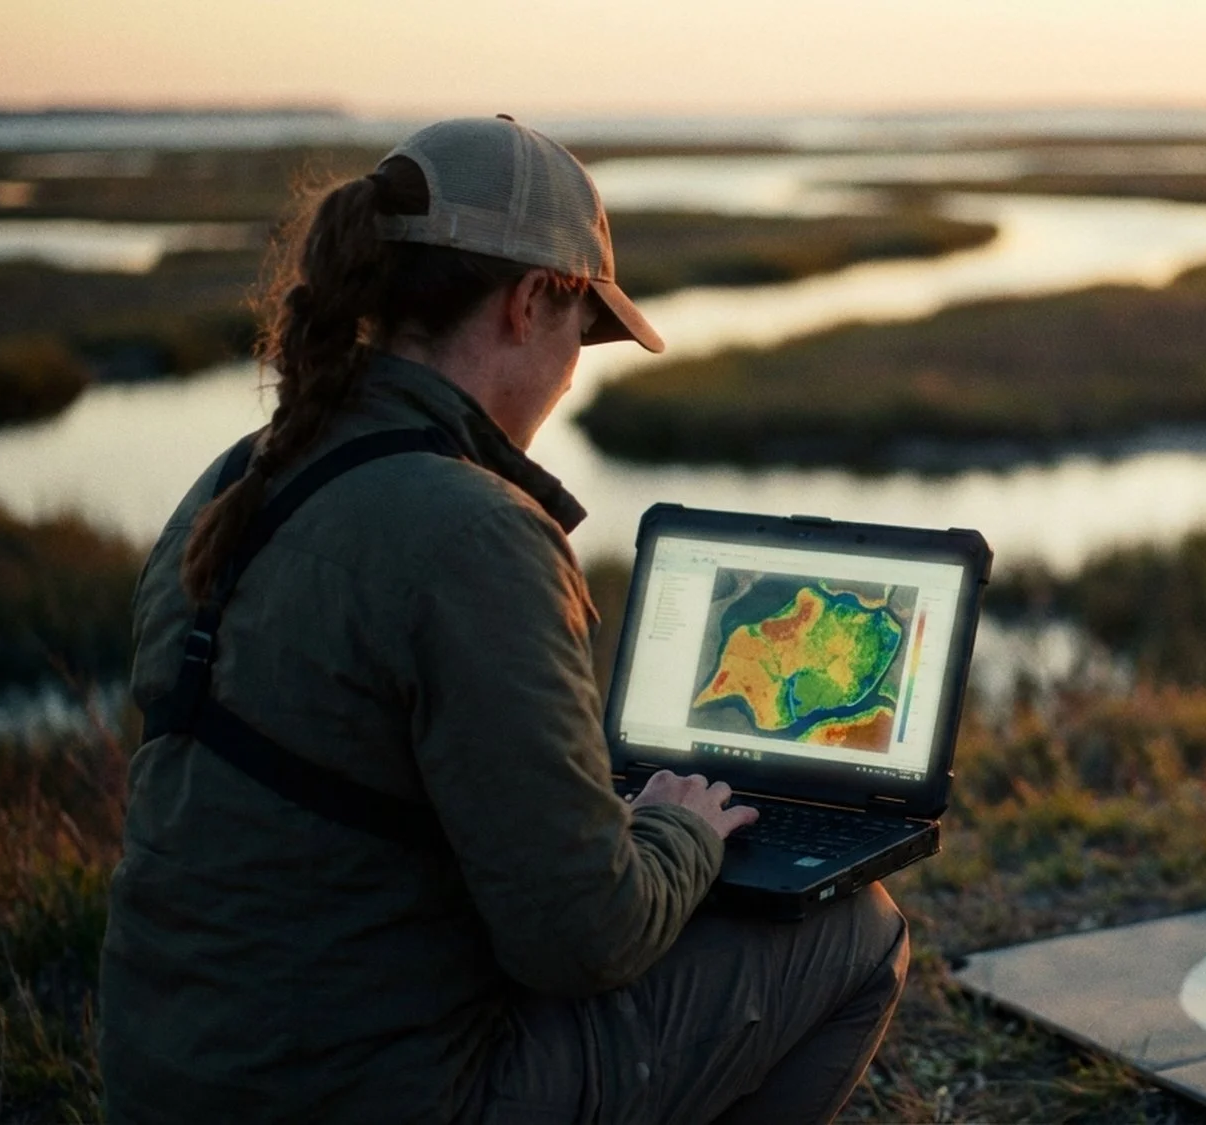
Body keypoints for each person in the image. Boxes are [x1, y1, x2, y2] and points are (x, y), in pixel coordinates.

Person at [101, 116, 908, 1125]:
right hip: (378, 1098)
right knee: (856, 934)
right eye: (585, 329)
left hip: (164, 1080)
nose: (576, 368)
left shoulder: (236, 475)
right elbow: (583, 941)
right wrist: (679, 828)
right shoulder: (475, 532)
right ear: (531, 302)